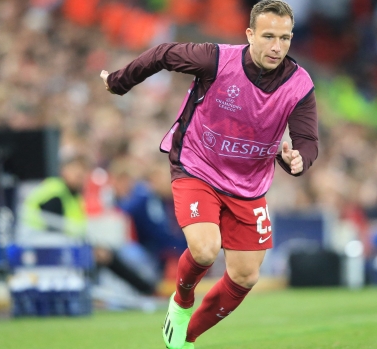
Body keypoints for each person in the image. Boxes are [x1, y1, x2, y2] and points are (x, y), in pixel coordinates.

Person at [101, 1, 318, 347]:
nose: (277, 47)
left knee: (246, 276)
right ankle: (182, 299)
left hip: (249, 185)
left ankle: (185, 339)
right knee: (204, 250)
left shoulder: (300, 84)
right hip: (197, 166)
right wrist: (119, 81)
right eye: (268, 36)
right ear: (249, 35)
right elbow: (162, 54)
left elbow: (307, 140)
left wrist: (299, 159)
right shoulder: (216, 59)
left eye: (285, 38)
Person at [22, 153, 157, 296]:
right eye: (75, 170)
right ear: (63, 170)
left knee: (105, 253)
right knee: (103, 255)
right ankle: (145, 289)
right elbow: (54, 228)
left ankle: (145, 288)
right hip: (42, 247)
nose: (79, 176)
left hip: (59, 245)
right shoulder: (55, 192)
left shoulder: (72, 195)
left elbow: (73, 228)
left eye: (82, 172)